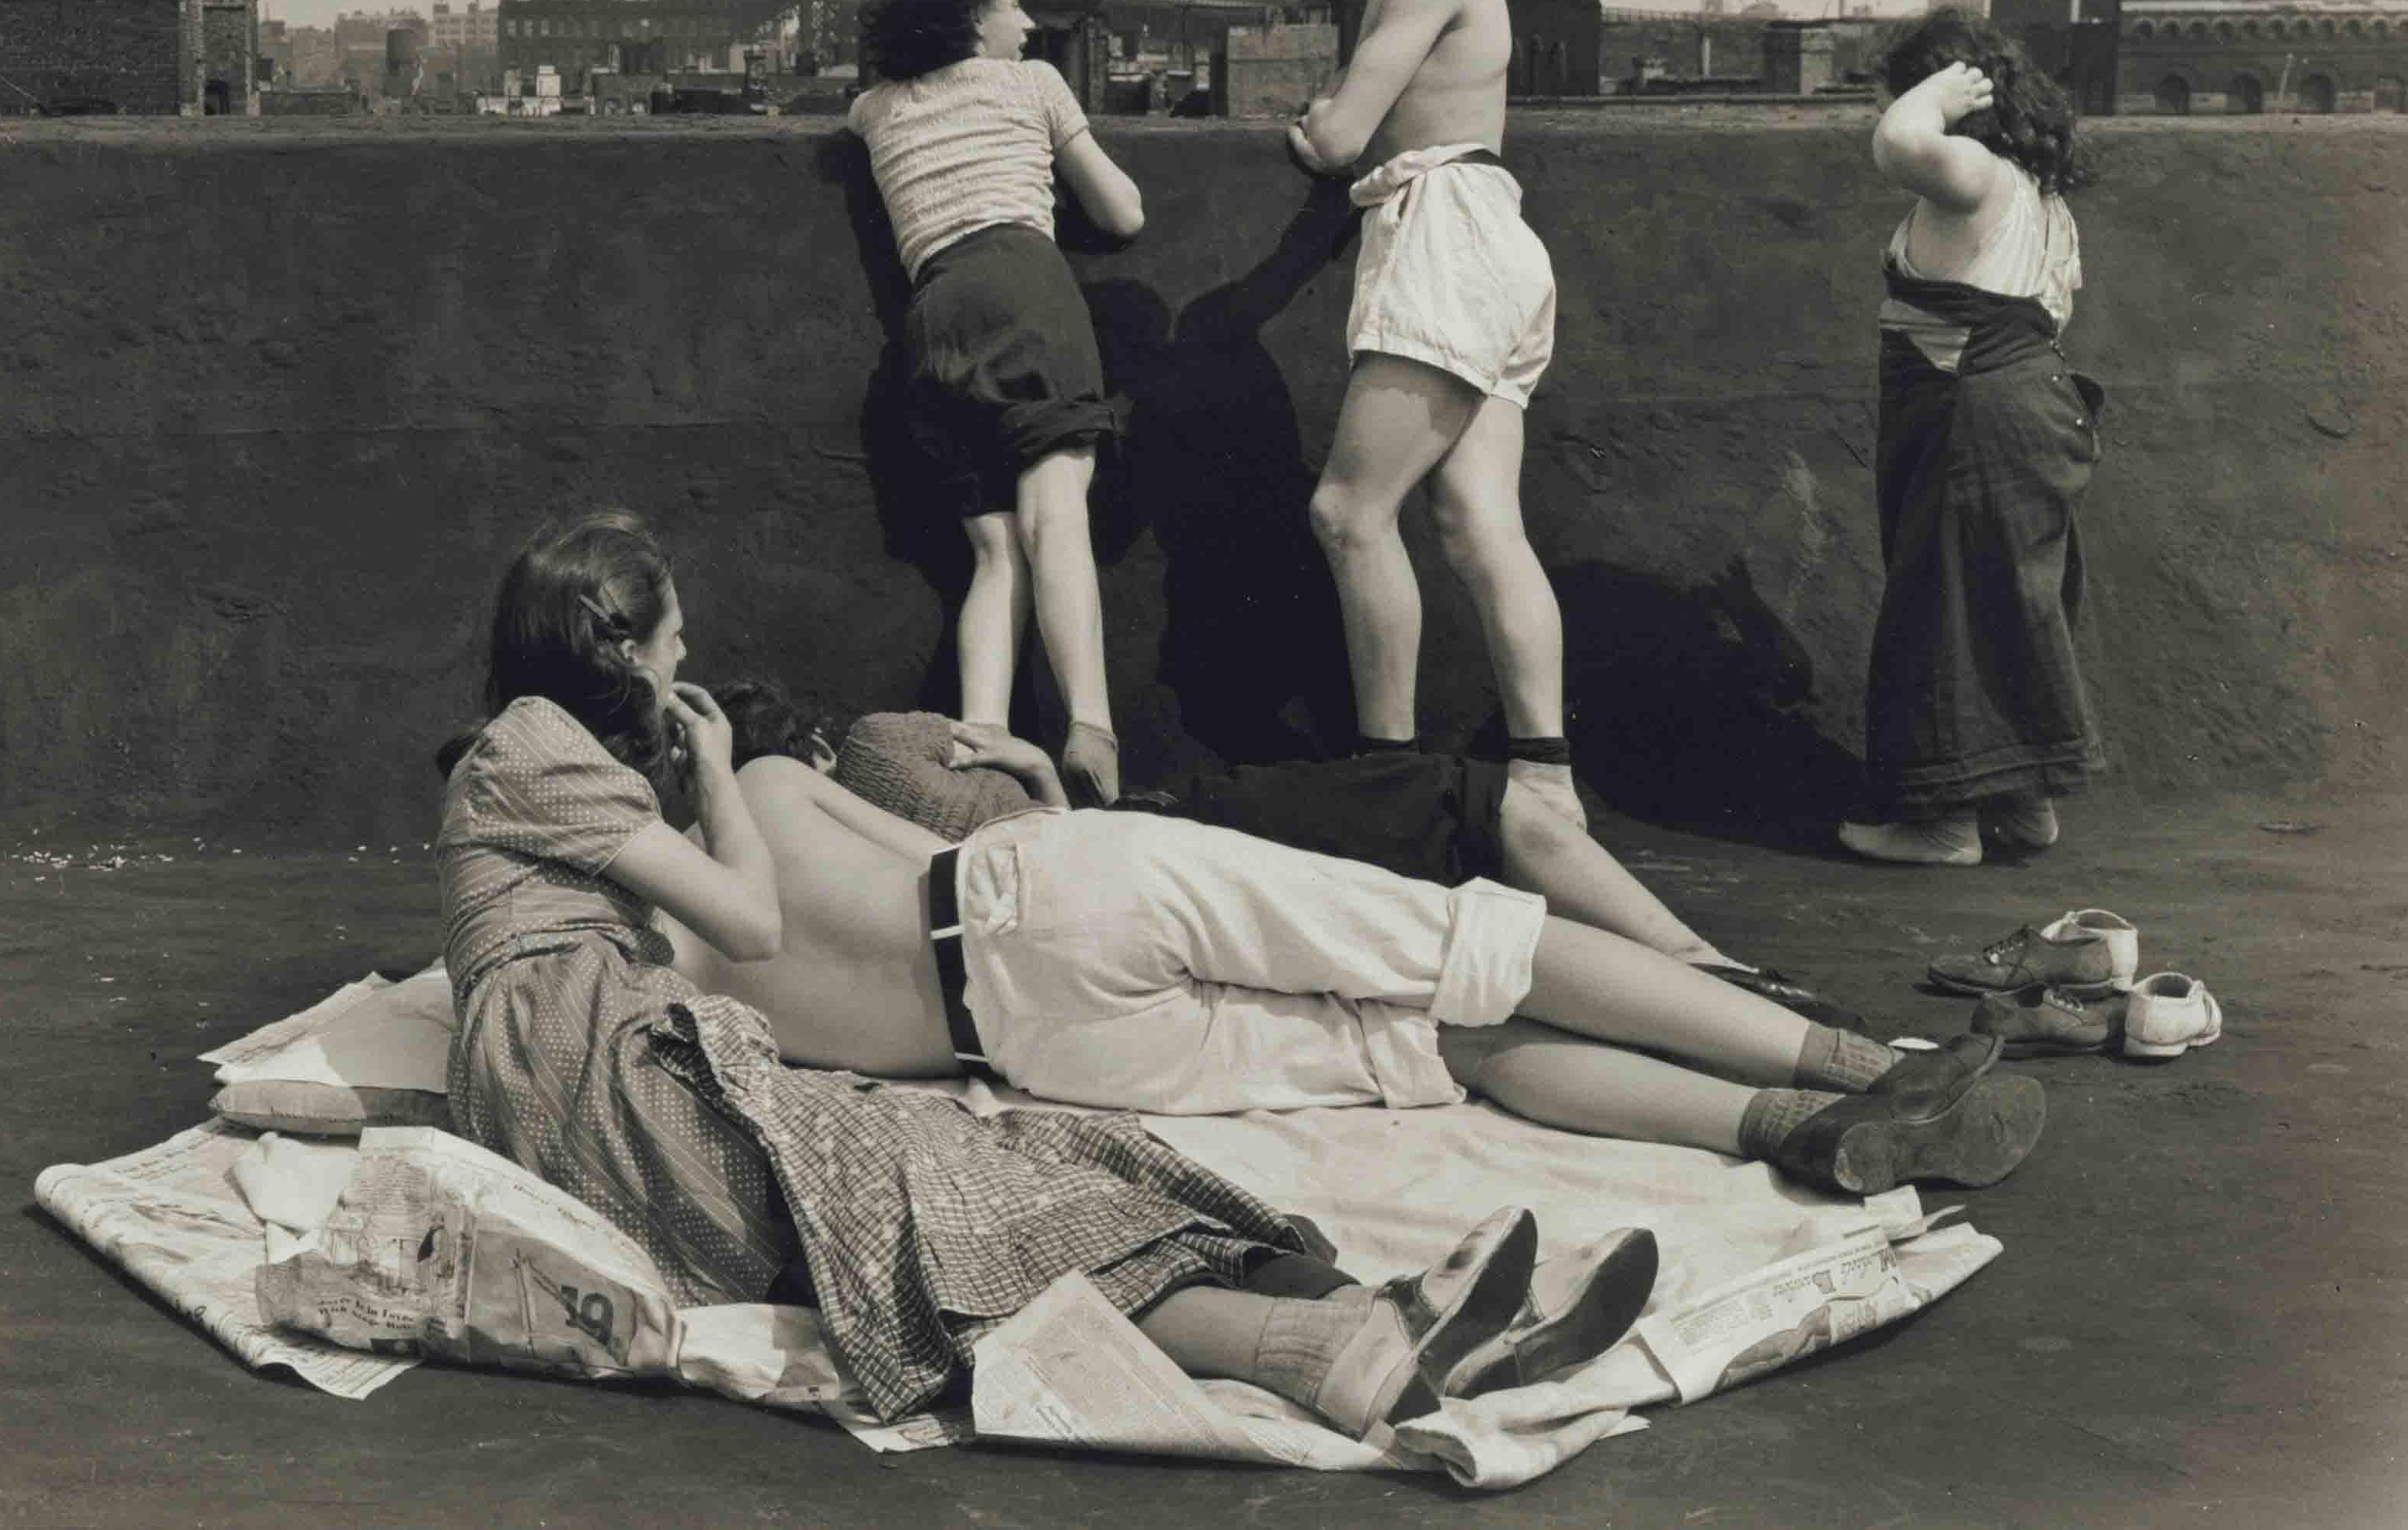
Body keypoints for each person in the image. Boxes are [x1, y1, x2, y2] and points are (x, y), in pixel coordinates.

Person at [435, 511, 1656, 1438]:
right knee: (924, 1198)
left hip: (594, 1090)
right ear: (621, 653)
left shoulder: (547, 782)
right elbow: (748, 923)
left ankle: (1363, 1322)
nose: (687, 648)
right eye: (671, 635)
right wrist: (714, 776)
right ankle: (1327, 1335)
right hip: (607, 1074)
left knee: (997, 1174)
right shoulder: (528, 741)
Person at [613, 546, 2045, 1196]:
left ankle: (1781, 1131)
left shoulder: (660, 975)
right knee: (1475, 945)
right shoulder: (771, 790)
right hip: (1043, 897)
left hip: (1046, 1047)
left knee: (1445, 1045)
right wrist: (1041, 789)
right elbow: (960, 855)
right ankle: (1860, 1066)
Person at [708, 684, 1866, 1032]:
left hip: (1125, 862)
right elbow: (1005, 858)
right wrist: (1049, 779)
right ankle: (1714, 974)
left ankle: (1719, 982)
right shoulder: (852, 765)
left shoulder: (791, 836)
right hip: (1159, 849)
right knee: (1482, 812)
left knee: (1481, 852)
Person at [1285, 0, 1586, 836]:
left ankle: (1390, 778)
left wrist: (1311, 123)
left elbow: (1336, 137)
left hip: (1446, 231)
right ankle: (1548, 782)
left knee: (1349, 511)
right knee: (1474, 516)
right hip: (1494, 237)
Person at [848, 0, 1142, 805]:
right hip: (1027, 294)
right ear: (975, 20)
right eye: (1012, 6)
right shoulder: (1034, 84)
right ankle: (1089, 724)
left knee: (993, 553)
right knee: (1057, 519)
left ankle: (981, 758)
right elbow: (1122, 213)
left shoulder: (876, 109)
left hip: (932, 318)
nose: (1025, 22)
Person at [1836, 12, 2104, 866]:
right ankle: (2023, 808)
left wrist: (1929, 95)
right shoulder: (2037, 192)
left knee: (1942, 599)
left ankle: (1942, 823)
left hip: (1971, 410)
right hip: (2031, 409)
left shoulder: (1973, 172)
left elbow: (1893, 145)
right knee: (2009, 602)